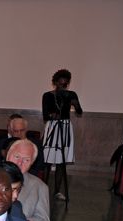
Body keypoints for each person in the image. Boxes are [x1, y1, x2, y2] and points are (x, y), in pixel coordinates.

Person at [42, 69, 83, 201]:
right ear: (55, 82)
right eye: (60, 84)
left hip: (65, 127)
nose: (63, 86)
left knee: (61, 161)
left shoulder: (71, 94)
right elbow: (45, 115)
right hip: (53, 127)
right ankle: (43, 189)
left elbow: (79, 112)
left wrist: (76, 104)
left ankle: (57, 191)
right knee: (47, 159)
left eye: (65, 84)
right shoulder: (47, 95)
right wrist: (52, 115)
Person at [5, 139, 51, 221]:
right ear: (7, 156)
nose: (20, 163)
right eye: (17, 156)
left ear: (32, 163)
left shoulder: (40, 186)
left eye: (26, 159)